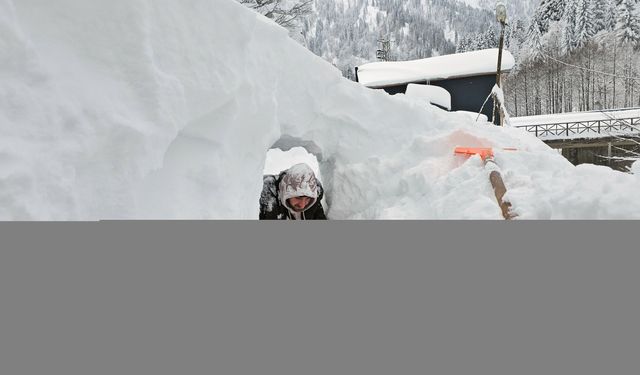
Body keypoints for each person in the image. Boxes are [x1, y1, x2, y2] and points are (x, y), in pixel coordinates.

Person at [259, 163, 327, 220]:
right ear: (286, 192)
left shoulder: (313, 199)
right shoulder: (269, 198)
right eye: (298, 197)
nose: (302, 205)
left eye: (307, 198)